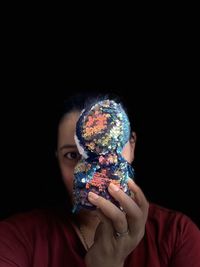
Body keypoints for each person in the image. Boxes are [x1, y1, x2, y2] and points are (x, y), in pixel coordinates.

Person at [0, 92, 199, 267]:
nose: (92, 174)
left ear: (132, 146)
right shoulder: (16, 238)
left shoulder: (177, 235)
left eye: (109, 152)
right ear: (57, 158)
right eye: (72, 155)